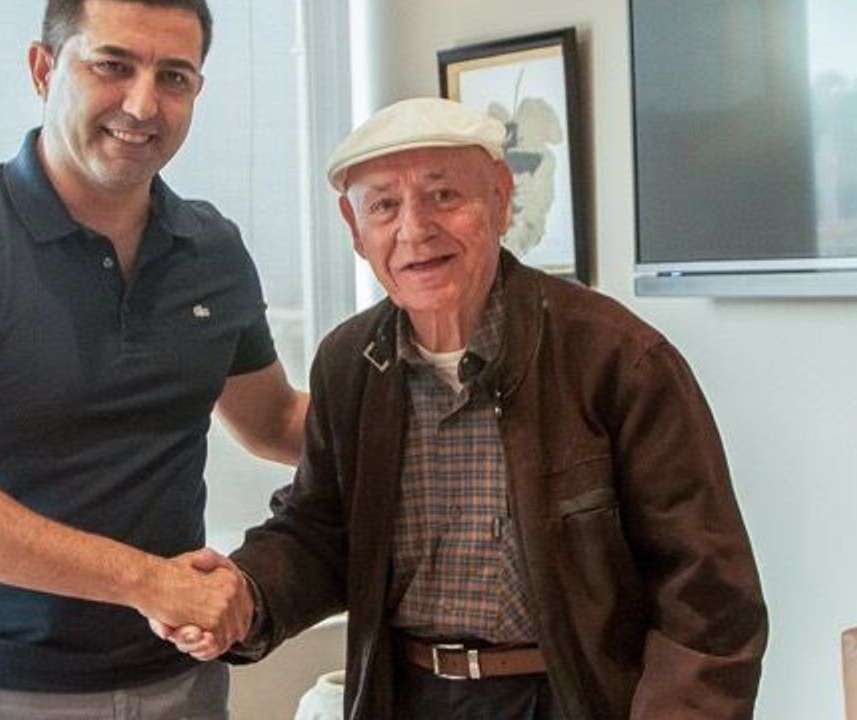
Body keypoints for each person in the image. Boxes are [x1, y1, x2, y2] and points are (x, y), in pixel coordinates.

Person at [161, 97, 769, 719]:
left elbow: (707, 602)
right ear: (355, 229)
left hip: (570, 699)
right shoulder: (349, 365)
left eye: (444, 195)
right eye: (384, 206)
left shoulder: (617, 359)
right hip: (406, 696)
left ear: (501, 199)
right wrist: (245, 592)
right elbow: (320, 532)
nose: (415, 229)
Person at [0, 1, 307, 717]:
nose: (142, 104)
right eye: (112, 66)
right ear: (44, 69)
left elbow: (274, 421)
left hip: (180, 681)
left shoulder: (212, 249)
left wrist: (430, 405)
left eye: (173, 77)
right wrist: (150, 582)